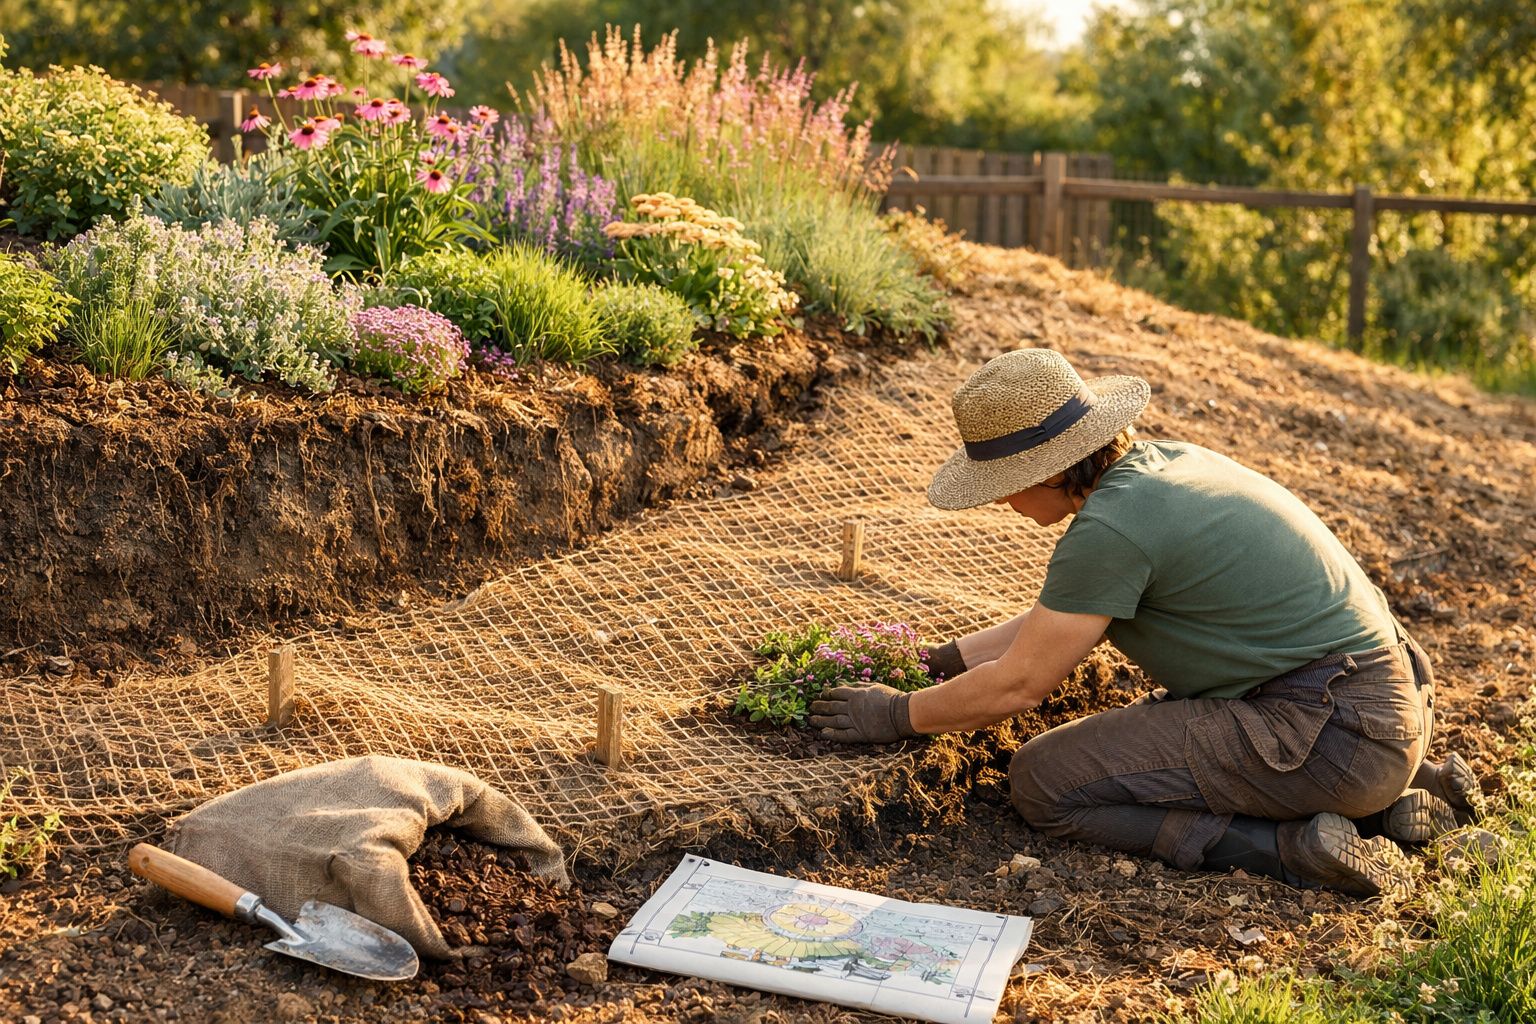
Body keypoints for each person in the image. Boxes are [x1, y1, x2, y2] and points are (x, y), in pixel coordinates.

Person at [808, 348, 1480, 896]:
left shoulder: (1111, 531)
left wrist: (895, 714)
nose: (1001, 500)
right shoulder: (1164, 468)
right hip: (1385, 704)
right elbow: (1055, 622)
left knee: (1043, 782)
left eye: (1004, 481)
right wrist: (940, 660)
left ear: (1046, 468)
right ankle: (1393, 798)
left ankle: (1292, 848)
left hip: (1334, 732)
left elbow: (1018, 687)